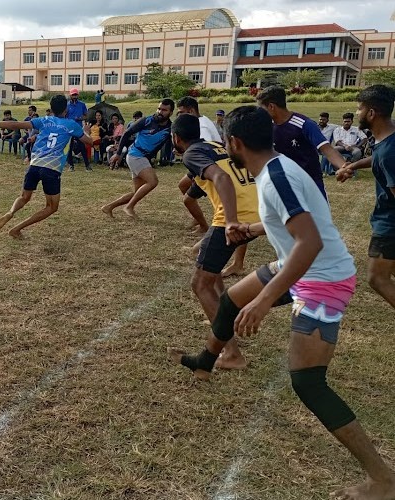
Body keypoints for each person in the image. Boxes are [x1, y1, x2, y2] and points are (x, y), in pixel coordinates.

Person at [169, 105, 395, 500]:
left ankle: (383, 479)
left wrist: (265, 300)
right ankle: (207, 362)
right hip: (296, 264)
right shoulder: (278, 167)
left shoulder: (276, 179)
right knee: (229, 302)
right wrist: (252, 228)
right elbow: (297, 222)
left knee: (308, 383)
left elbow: (311, 242)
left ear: (235, 143)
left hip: (322, 280)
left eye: (226, 141)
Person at [171, 113, 259, 371]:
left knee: (200, 284)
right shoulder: (216, 147)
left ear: (176, 137)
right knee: (213, 274)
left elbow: (221, 179)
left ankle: (232, 354)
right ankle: (223, 321)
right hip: (255, 211)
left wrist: (231, 221)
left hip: (234, 218)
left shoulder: (192, 153)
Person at [0, 94, 93, 239]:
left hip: (34, 165)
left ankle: (10, 212)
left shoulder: (43, 120)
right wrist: (87, 130)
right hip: (51, 169)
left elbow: (14, 125)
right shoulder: (71, 125)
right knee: (52, 207)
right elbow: (89, 142)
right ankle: (17, 228)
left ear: (51, 109)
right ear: (66, 110)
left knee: (24, 197)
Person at [337, 85, 395, 308]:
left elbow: (384, 159)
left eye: (359, 108)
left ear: (371, 113)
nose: (357, 112)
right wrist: (352, 165)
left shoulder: (390, 152)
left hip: (389, 225)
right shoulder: (387, 139)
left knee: (377, 278)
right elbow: (376, 157)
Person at [256, 86, 346, 196]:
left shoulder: (304, 124)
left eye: (261, 109)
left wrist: (343, 167)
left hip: (310, 183)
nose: (259, 113)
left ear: (271, 107)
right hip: (283, 185)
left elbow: (327, 149)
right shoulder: (266, 127)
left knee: (318, 214)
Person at [102, 99, 174, 219]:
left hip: (143, 158)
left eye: (164, 110)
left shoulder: (169, 129)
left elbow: (165, 144)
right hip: (136, 155)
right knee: (153, 182)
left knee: (137, 192)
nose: (160, 111)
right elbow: (126, 134)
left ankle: (109, 207)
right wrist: (118, 154)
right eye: (159, 108)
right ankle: (129, 207)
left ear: (171, 112)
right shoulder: (147, 120)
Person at [176, 97, 222, 235]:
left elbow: (204, 148)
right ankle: (196, 218)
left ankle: (204, 226)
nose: (179, 116)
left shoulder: (201, 126)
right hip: (211, 162)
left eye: (182, 112)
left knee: (188, 199)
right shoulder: (203, 119)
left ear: (191, 110)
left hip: (210, 166)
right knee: (183, 185)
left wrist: (187, 152)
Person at [65, 87, 90, 171]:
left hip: (78, 128)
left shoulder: (82, 104)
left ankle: (87, 165)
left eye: (76, 95)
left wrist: (79, 118)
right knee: (69, 147)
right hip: (69, 128)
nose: (74, 96)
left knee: (82, 146)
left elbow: (86, 115)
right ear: (70, 95)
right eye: (73, 95)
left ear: (78, 95)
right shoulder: (67, 105)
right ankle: (71, 165)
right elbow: (64, 116)